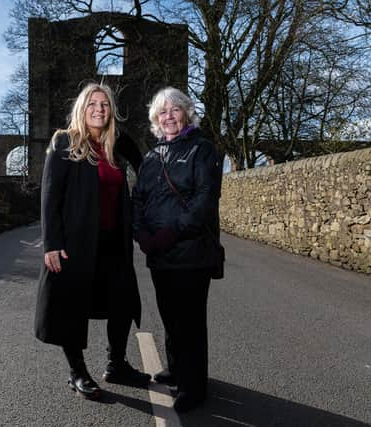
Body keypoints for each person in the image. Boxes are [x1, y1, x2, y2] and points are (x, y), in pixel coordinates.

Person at [34, 83, 149, 401]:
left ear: (112, 110)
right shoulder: (65, 141)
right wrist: (51, 243)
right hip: (75, 242)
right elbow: (50, 195)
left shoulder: (118, 143)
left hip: (114, 241)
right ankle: (78, 372)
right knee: (71, 306)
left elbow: (148, 170)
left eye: (105, 104)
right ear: (82, 109)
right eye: (92, 104)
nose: (99, 109)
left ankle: (116, 364)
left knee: (123, 302)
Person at [132, 87, 222, 413]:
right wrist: (141, 232)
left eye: (175, 110)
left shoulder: (202, 150)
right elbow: (138, 198)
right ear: (156, 119)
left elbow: (204, 201)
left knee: (190, 321)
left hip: (191, 252)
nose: (169, 116)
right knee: (170, 315)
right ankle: (175, 367)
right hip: (160, 254)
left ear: (186, 112)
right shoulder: (152, 157)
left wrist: (172, 231)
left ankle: (194, 386)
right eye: (162, 112)